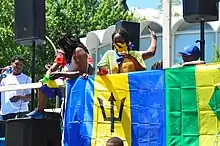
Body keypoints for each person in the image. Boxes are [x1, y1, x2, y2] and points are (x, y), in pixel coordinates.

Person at [27, 34, 94, 119]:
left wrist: (60, 74)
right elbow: (51, 69)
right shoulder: (64, 54)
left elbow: (83, 72)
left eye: (62, 48)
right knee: (43, 85)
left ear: (67, 46)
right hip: (66, 84)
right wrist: (46, 79)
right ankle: (40, 111)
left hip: (78, 87)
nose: (61, 51)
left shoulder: (79, 52)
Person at [0, 55, 31, 120]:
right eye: (16, 64)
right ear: (11, 64)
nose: (19, 67)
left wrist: (19, 97)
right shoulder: (4, 77)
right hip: (4, 112)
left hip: (20, 112)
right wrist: (2, 73)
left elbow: (31, 97)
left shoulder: (27, 79)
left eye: (21, 65)